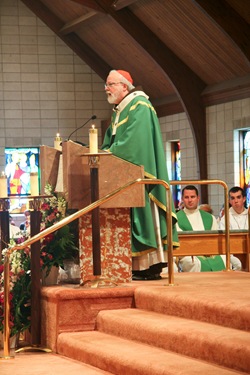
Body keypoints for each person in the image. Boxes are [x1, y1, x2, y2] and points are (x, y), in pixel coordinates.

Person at [101, 69, 179, 280]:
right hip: (126, 177)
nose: (106, 88)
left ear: (124, 86)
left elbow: (134, 144)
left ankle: (150, 266)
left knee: (147, 219)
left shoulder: (139, 106)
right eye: (106, 84)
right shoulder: (120, 110)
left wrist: (109, 153)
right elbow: (111, 140)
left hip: (142, 177)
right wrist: (103, 152)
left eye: (111, 84)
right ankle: (138, 266)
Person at [176, 185, 241, 271]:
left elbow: (215, 240)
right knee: (194, 264)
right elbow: (179, 243)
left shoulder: (209, 218)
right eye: (186, 197)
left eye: (192, 197)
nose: (190, 200)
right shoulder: (176, 218)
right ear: (182, 199)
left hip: (210, 253)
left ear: (198, 198)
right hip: (189, 254)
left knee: (225, 260)